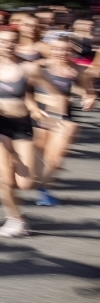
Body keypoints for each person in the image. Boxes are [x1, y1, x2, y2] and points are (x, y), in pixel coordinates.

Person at [0, 26, 44, 238]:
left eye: (12, 41)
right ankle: (15, 220)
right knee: (4, 179)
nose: (8, 45)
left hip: (22, 124)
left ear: (18, 42)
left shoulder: (28, 68)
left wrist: (36, 110)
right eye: (3, 41)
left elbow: (31, 95)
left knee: (25, 183)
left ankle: (38, 159)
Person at [32, 34, 96, 206]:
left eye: (65, 49)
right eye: (56, 49)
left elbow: (88, 92)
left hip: (63, 117)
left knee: (55, 156)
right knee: (39, 155)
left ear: (70, 50)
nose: (60, 52)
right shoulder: (39, 66)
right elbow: (25, 90)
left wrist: (88, 97)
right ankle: (40, 183)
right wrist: (34, 107)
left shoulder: (77, 70)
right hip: (39, 115)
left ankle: (43, 190)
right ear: (50, 49)